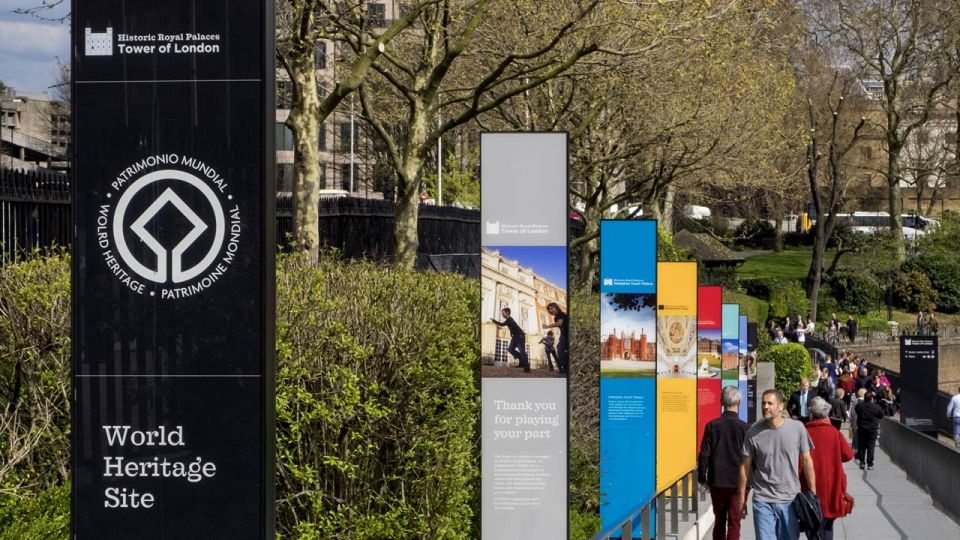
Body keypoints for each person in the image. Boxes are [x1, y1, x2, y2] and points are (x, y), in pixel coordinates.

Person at [738, 389, 816, 540]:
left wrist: (813, 493)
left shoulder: (797, 428)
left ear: (781, 406)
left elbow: (807, 460)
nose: (765, 407)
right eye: (763, 403)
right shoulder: (752, 433)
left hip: (789, 499)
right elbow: (744, 466)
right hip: (762, 499)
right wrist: (742, 497)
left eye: (770, 403)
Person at [698, 386, 750, 540]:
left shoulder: (712, 426)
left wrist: (702, 477)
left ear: (721, 401)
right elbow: (751, 457)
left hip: (718, 481)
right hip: (739, 483)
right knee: (735, 522)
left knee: (719, 520)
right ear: (739, 402)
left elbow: (704, 455)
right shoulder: (746, 428)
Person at [803, 397, 854, 540]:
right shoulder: (834, 433)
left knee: (811, 524)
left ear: (811, 413)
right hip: (832, 486)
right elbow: (848, 455)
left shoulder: (804, 432)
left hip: (809, 486)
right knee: (828, 525)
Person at [490, 308, 530, 373]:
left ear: (507, 313)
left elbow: (502, 324)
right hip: (515, 337)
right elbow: (513, 327)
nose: (502, 314)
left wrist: (493, 320)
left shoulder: (509, 319)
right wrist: (512, 333)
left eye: (503, 313)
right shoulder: (509, 320)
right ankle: (521, 360)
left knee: (522, 351)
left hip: (519, 336)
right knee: (510, 349)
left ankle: (526, 366)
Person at [854, 391, 885, 470]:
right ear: (872, 398)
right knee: (871, 447)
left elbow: (857, 411)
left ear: (864, 397)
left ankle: (862, 462)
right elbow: (881, 415)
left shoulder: (860, 406)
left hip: (862, 429)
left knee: (862, 446)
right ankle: (870, 464)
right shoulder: (876, 407)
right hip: (872, 430)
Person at [542, 302, 569, 374]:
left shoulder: (560, 314)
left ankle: (564, 367)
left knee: (562, 348)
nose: (550, 310)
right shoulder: (556, 317)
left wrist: (547, 326)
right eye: (549, 310)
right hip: (564, 333)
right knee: (560, 347)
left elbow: (559, 323)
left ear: (556, 307)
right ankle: (564, 367)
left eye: (551, 308)